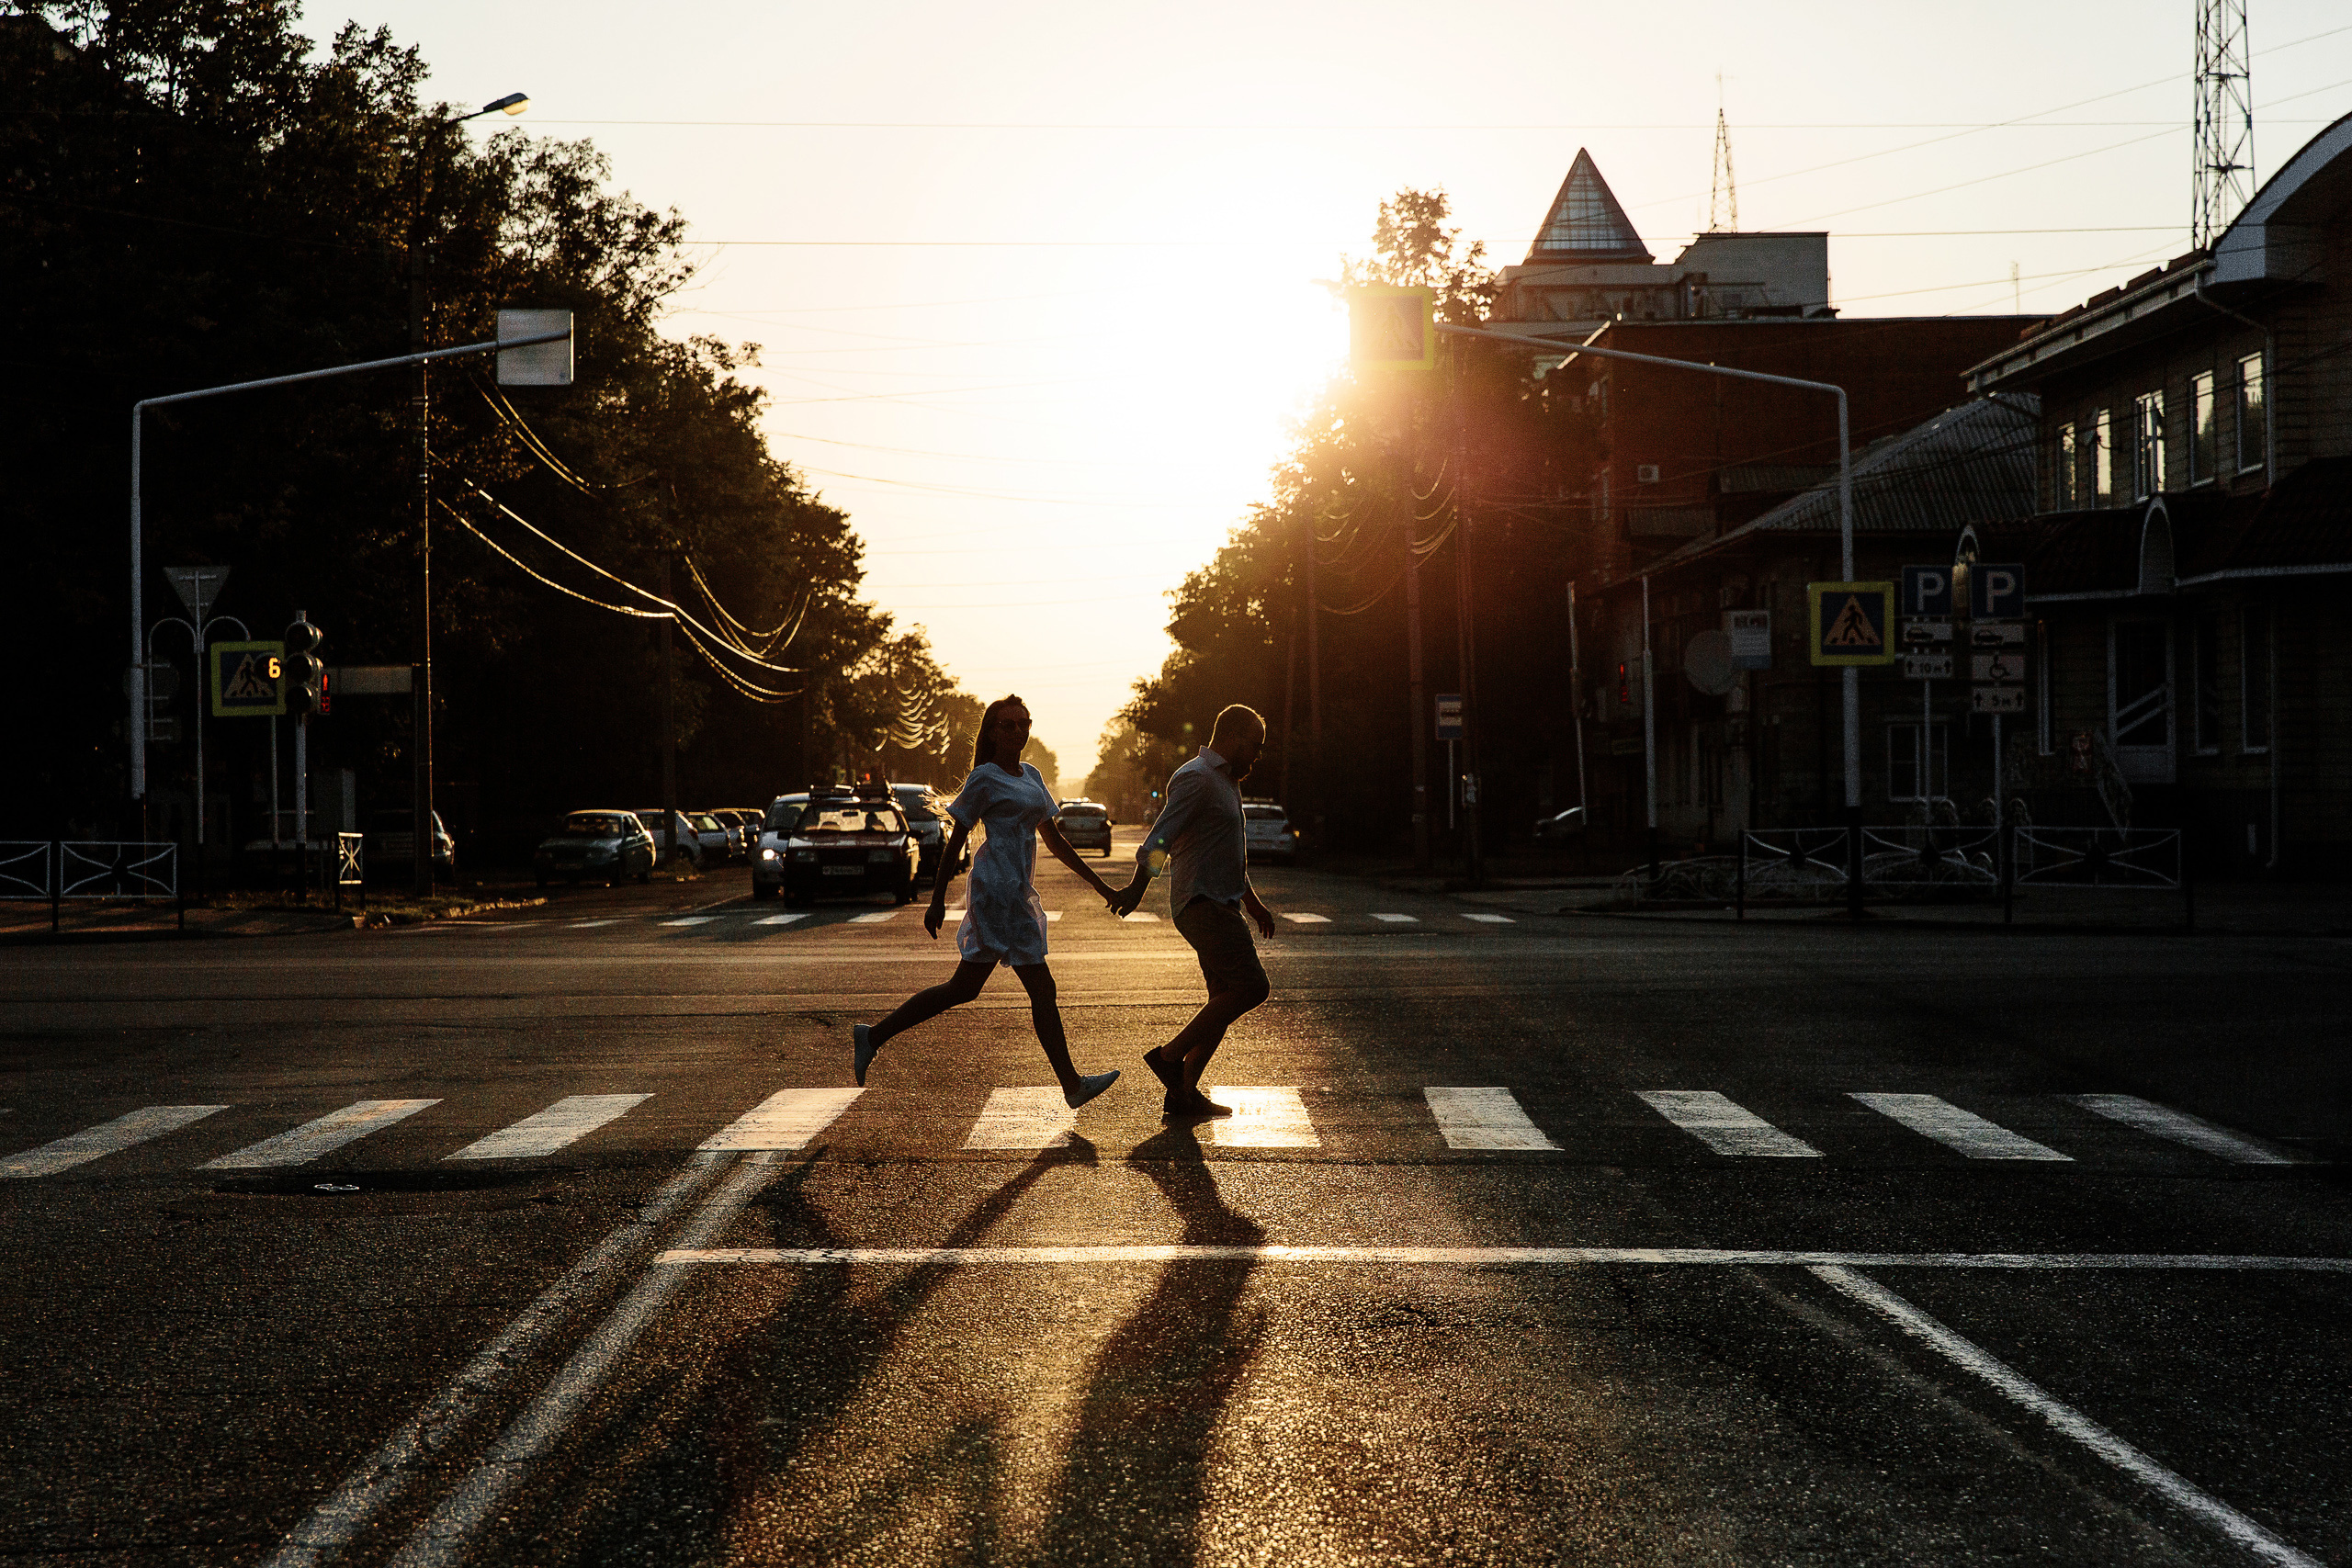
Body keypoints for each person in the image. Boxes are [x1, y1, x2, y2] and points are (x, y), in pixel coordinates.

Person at [853, 694, 1122, 1109]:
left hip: (1018, 895)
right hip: (994, 893)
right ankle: (1071, 1084)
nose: (1018, 731)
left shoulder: (1032, 776)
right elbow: (956, 840)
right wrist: (938, 899)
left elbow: (1056, 841)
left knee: (966, 988)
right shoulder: (985, 778)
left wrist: (1103, 887)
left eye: (1024, 723)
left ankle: (872, 1036)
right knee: (1036, 987)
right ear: (993, 732)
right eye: (1008, 724)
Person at [1109, 704, 1276, 1120]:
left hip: (1220, 902)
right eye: (1254, 746)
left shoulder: (1226, 781)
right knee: (1253, 987)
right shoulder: (1197, 778)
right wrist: (1136, 888)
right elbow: (1159, 840)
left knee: (1222, 997)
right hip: (1200, 903)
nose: (1257, 755)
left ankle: (1182, 1096)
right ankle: (1170, 1056)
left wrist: (1253, 905)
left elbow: (1228, 855)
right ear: (1234, 737)